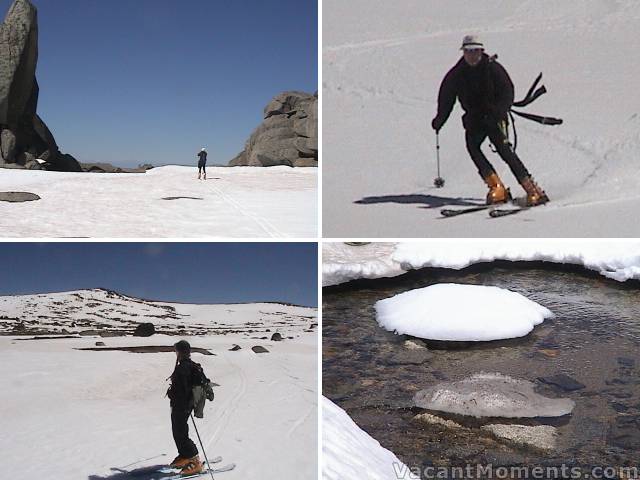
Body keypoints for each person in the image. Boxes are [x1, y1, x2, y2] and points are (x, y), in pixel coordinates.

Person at [431, 35, 548, 206]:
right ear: (463, 52)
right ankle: (496, 186)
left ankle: (532, 190)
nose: (472, 55)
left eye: (475, 51)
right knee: (473, 147)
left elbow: (508, 91)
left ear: (482, 51)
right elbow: (447, 98)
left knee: (504, 151)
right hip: (474, 119)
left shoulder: (493, 69)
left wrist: (498, 112)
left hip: (494, 117)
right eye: (468, 51)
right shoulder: (456, 74)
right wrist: (440, 119)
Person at [167, 340, 203, 476]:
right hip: (185, 405)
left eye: (176, 350)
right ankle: (184, 456)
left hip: (181, 406)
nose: (175, 352)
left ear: (180, 351)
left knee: (180, 433)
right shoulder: (189, 365)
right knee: (178, 431)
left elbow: (182, 389)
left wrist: (174, 395)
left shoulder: (183, 368)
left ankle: (194, 460)